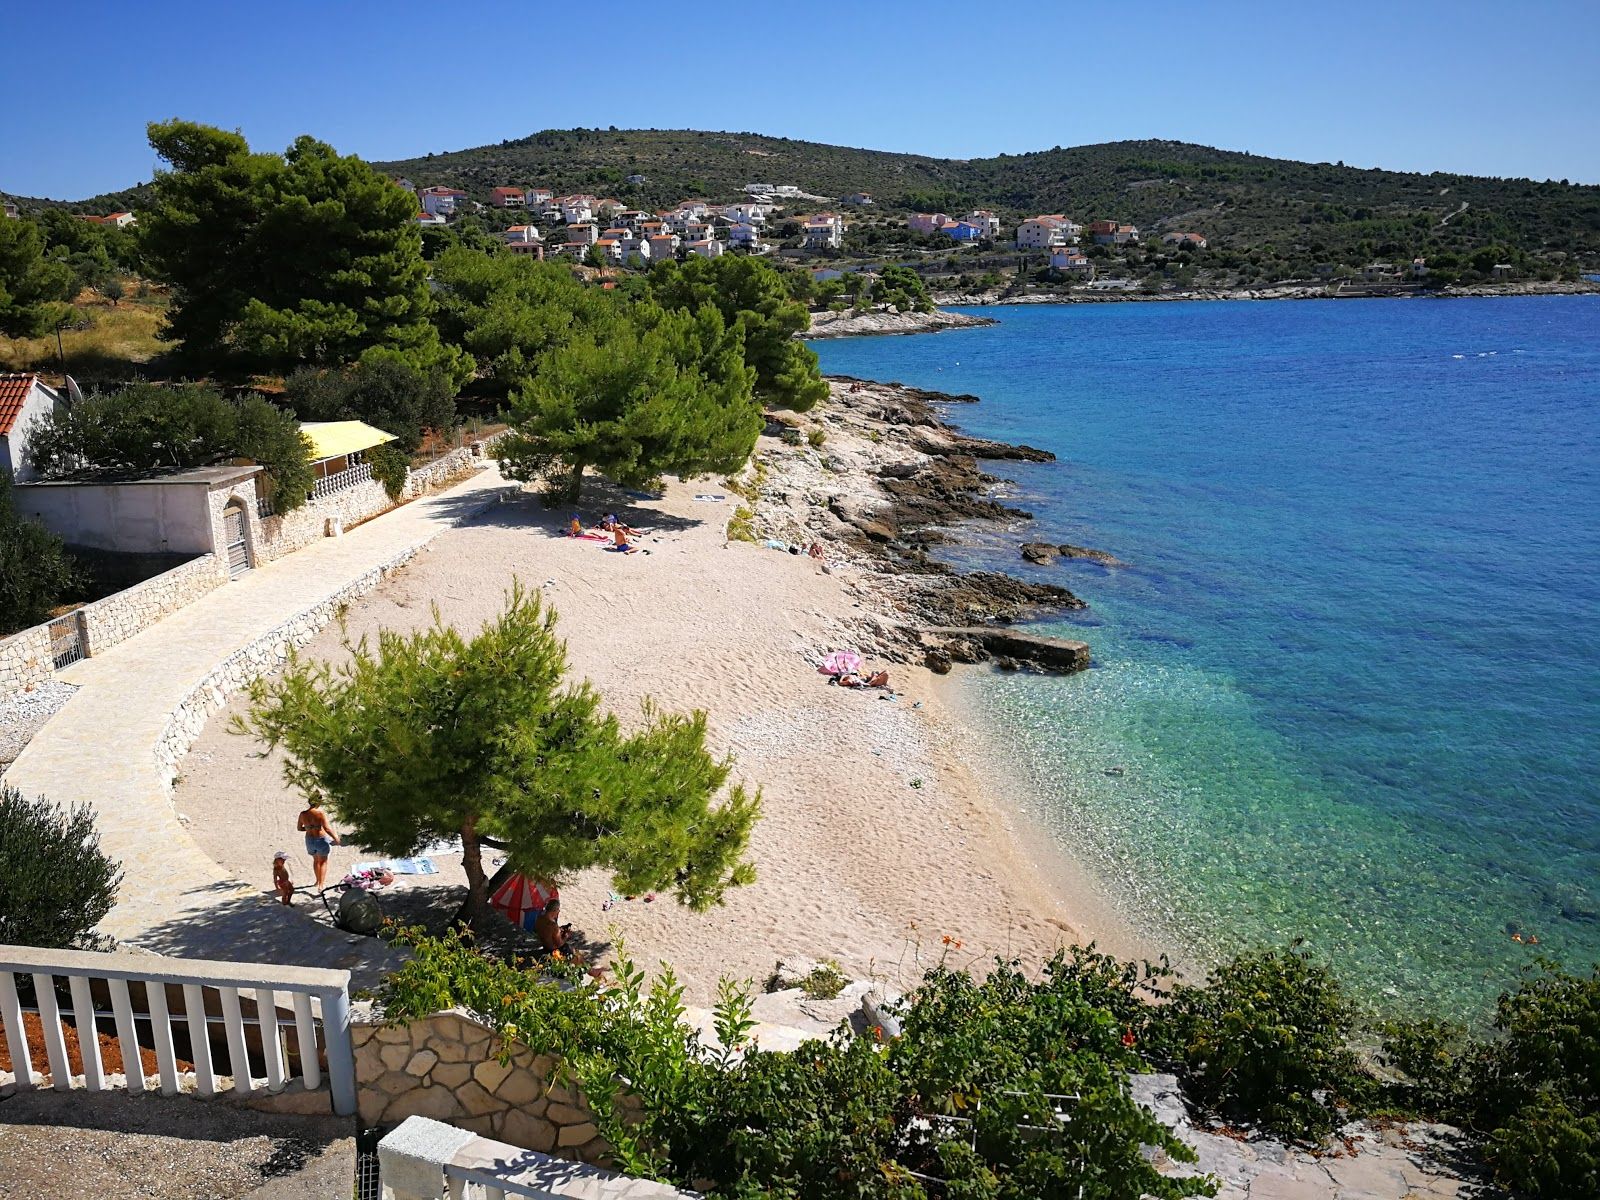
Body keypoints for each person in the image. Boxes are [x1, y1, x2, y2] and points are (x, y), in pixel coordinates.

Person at [296, 802, 340, 891]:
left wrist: (309, 828)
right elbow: (327, 828)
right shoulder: (320, 813)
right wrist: (335, 838)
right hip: (320, 839)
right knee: (323, 861)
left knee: (316, 860)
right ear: (317, 802)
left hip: (309, 840)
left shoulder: (303, 814)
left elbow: (299, 828)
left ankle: (317, 881)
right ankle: (321, 885)